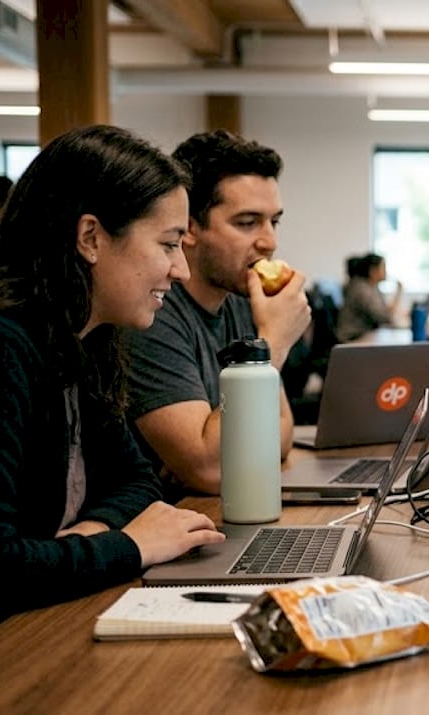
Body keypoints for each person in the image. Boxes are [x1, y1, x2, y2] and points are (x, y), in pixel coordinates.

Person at [0, 125, 225, 655]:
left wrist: (90, 537)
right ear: (91, 237)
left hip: (31, 623)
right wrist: (125, 547)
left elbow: (136, 481)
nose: (181, 269)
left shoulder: (84, 337)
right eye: (168, 244)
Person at [120, 130, 311, 498]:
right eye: (247, 222)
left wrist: (230, 450)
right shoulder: (152, 313)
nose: (269, 241)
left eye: (274, 221)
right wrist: (273, 344)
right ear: (188, 226)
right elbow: (212, 471)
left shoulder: (242, 301)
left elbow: (283, 432)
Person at [335, 252, 402, 342]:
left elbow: (384, 311)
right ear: (373, 271)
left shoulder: (372, 287)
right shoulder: (361, 289)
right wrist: (399, 292)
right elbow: (384, 317)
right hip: (352, 338)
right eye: (383, 267)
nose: (386, 272)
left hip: (363, 334)